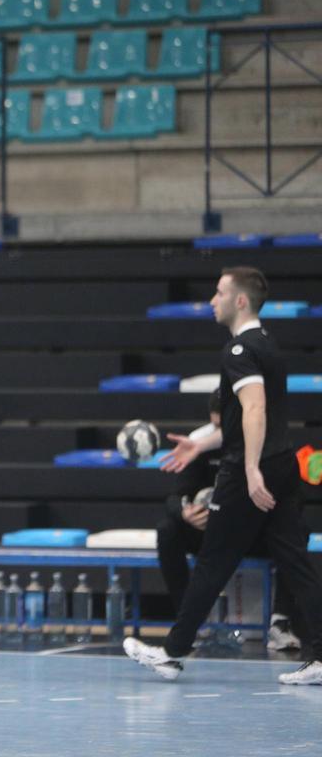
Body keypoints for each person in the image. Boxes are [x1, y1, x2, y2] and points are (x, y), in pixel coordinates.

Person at [126, 267, 322, 686]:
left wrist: (249, 468)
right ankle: (321, 655)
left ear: (239, 301)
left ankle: (174, 653)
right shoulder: (268, 344)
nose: (211, 301)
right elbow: (244, 417)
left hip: (249, 470)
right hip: (283, 464)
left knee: (213, 562)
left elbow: (254, 410)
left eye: (218, 293)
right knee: (297, 564)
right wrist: (201, 444)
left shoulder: (238, 351)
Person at [155, 388, 300, 651]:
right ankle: (186, 624)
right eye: (214, 425)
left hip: (251, 531)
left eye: (223, 425)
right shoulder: (199, 444)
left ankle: (280, 622)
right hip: (211, 532)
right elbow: (174, 497)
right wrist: (186, 514)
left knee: (297, 531)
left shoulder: (265, 444)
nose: (217, 431)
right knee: (167, 530)